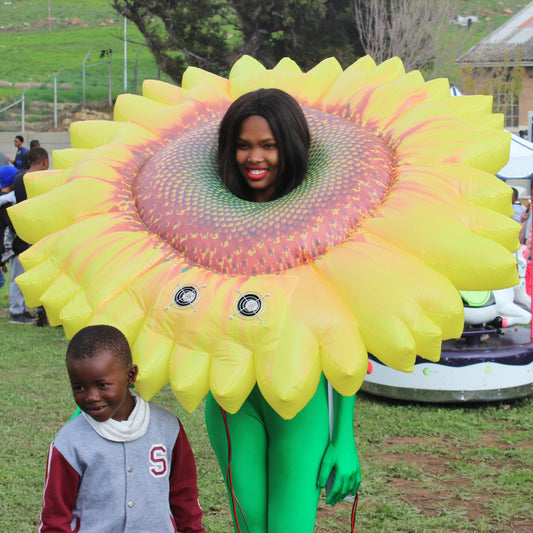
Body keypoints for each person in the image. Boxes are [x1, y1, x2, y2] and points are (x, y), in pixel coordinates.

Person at [208, 88, 361, 532]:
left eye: (268, 144)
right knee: (250, 528)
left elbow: (347, 331)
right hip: (232, 396)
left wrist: (344, 437)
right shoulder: (209, 224)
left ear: (289, 146)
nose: (254, 157)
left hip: (302, 397)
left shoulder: (327, 221)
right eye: (243, 144)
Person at [39, 324, 205, 533]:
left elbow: (185, 497)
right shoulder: (69, 443)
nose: (91, 397)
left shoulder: (168, 428)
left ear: (130, 376)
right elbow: (55, 518)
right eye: (79, 387)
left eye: (102, 385)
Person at [8, 148, 50, 324]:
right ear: (44, 162)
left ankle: (23, 310)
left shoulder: (18, 178)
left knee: (21, 272)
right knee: (25, 273)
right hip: (35, 232)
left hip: (21, 230)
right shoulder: (41, 180)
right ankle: (18, 311)